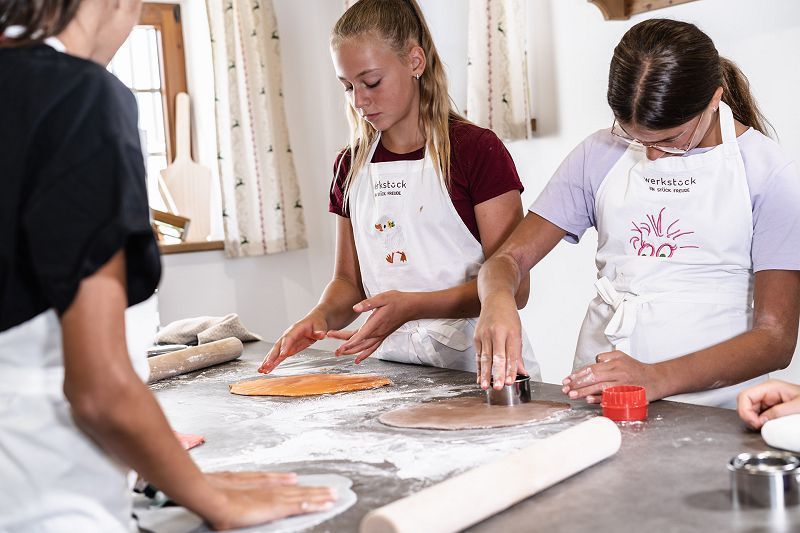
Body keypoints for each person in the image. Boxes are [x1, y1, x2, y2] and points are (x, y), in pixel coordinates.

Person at [0, 1, 335, 531]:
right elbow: (99, 392)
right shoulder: (77, 95)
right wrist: (209, 497)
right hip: (45, 496)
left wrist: (159, 476)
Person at [474, 18, 800, 408]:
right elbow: (508, 259)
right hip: (603, 399)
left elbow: (775, 339)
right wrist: (496, 297)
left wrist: (655, 377)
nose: (650, 153)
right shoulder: (598, 153)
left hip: (718, 410)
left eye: (669, 139)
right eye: (633, 135)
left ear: (714, 99)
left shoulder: (768, 172)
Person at [259, 0, 540, 388]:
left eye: (371, 82)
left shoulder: (477, 151)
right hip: (391, 372)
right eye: (348, 87)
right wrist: (320, 317)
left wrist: (412, 307)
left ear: (415, 61)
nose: (359, 101)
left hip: (478, 367)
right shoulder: (350, 166)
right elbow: (348, 282)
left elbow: (516, 288)